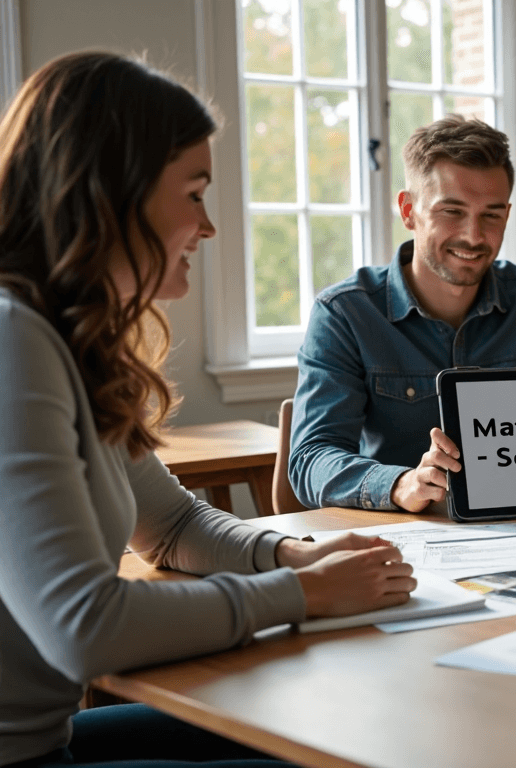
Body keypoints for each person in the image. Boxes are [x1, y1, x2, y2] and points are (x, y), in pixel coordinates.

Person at [0, 53, 417, 768]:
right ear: (112, 194)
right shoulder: (12, 340)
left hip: (46, 743)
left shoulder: (70, 343)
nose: (209, 226)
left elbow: (172, 526)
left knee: (345, 733)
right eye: (194, 193)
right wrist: (300, 593)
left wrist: (292, 553)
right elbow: (84, 627)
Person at [289, 115, 516, 513]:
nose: (474, 236)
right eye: (452, 211)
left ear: (507, 216)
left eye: (491, 215)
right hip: (405, 537)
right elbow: (311, 459)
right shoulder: (345, 314)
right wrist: (399, 484)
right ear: (409, 211)